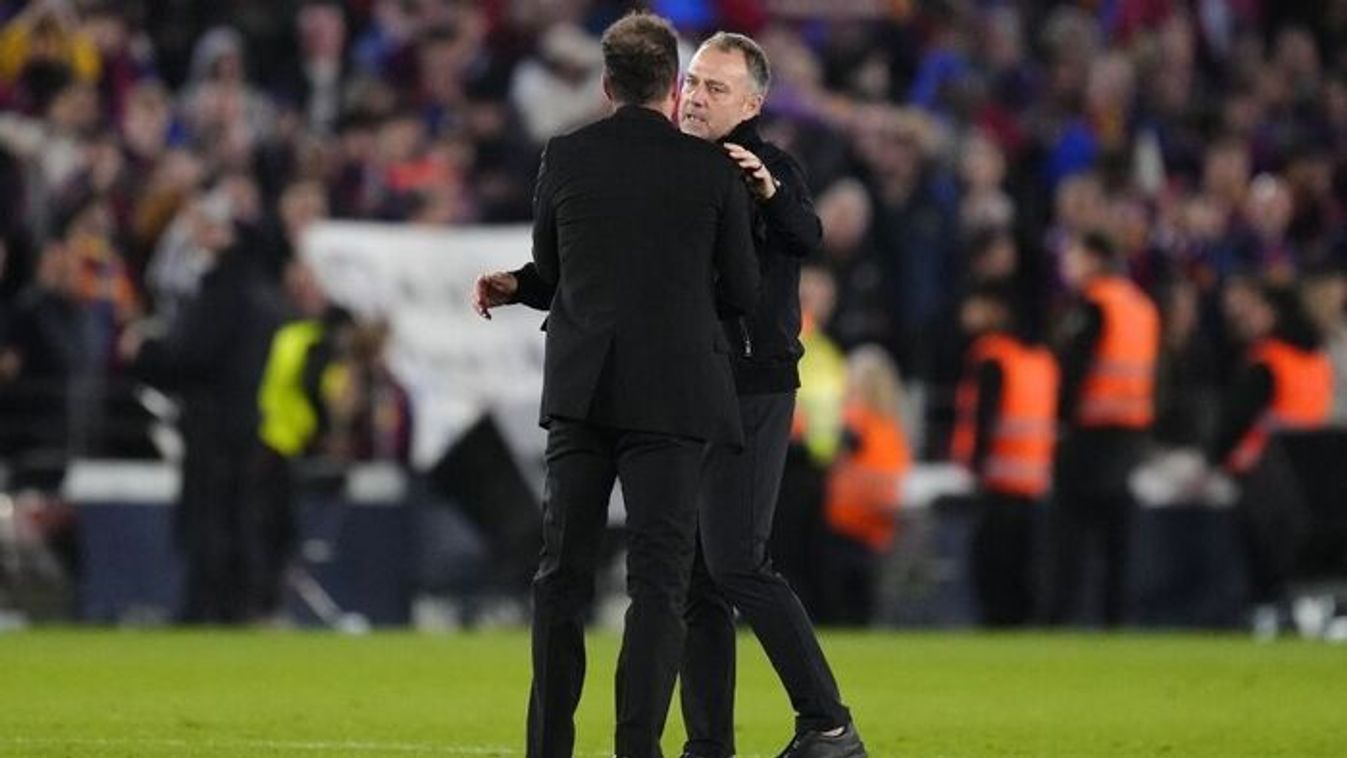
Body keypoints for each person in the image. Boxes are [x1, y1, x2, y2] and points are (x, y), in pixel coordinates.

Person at [475, 31, 867, 758]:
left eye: (718, 89)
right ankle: (708, 744)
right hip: (684, 389)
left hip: (746, 384)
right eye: (693, 83)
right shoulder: (673, 166)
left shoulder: (764, 168)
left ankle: (827, 721)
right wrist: (524, 285)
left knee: (733, 562)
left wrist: (770, 193)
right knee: (692, 581)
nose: (697, 98)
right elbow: (603, 270)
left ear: (752, 104)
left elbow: (805, 238)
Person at [494, 13, 760, 758]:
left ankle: (549, 746)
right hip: (674, 396)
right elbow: (742, 291)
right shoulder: (712, 172)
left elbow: (553, 272)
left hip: (584, 390)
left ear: (607, 85)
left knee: (561, 577)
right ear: (673, 87)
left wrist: (516, 285)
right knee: (658, 583)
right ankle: (637, 747)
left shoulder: (565, 156)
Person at [1206, 280, 1332, 635]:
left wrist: (1216, 459)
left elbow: (1236, 420)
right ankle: (1300, 610)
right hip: (1314, 475)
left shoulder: (1269, 360)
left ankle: (1262, 612)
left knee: (1259, 553)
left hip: (1264, 470)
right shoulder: (1317, 361)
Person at [1047, 230, 1159, 626]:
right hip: (1131, 433)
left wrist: (1058, 420)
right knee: (1118, 537)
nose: (1067, 267)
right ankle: (1116, 620)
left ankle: (1063, 619)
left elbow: (1074, 368)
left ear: (1094, 259)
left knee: (1072, 536)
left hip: (1090, 432)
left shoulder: (1094, 305)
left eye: (1073, 257)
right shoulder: (1142, 307)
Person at [949, 284, 1059, 627]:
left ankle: (997, 623)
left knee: (993, 567)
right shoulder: (1040, 360)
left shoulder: (992, 357)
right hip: (1034, 481)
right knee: (1024, 569)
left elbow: (985, 418)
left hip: (998, 480)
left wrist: (974, 465)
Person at [820, 344, 911, 627]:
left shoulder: (856, 419)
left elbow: (831, 449)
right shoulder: (894, 428)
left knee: (841, 607)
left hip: (847, 522)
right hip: (880, 527)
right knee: (867, 605)